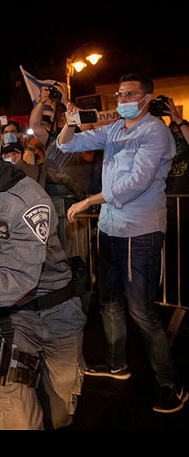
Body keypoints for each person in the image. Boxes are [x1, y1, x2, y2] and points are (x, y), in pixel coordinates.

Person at [0, 99, 87, 430]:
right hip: (12, 323)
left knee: (60, 413)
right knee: (16, 420)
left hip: (57, 315)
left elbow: (15, 283)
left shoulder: (27, 200)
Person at [59, 73, 187, 414]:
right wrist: (70, 122)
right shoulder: (115, 129)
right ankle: (117, 364)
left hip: (139, 231)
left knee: (141, 310)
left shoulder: (155, 132)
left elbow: (136, 183)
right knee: (110, 302)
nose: (121, 99)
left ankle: (171, 384)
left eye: (129, 93)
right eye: (118, 94)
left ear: (147, 97)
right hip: (110, 229)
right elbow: (68, 145)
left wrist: (89, 201)